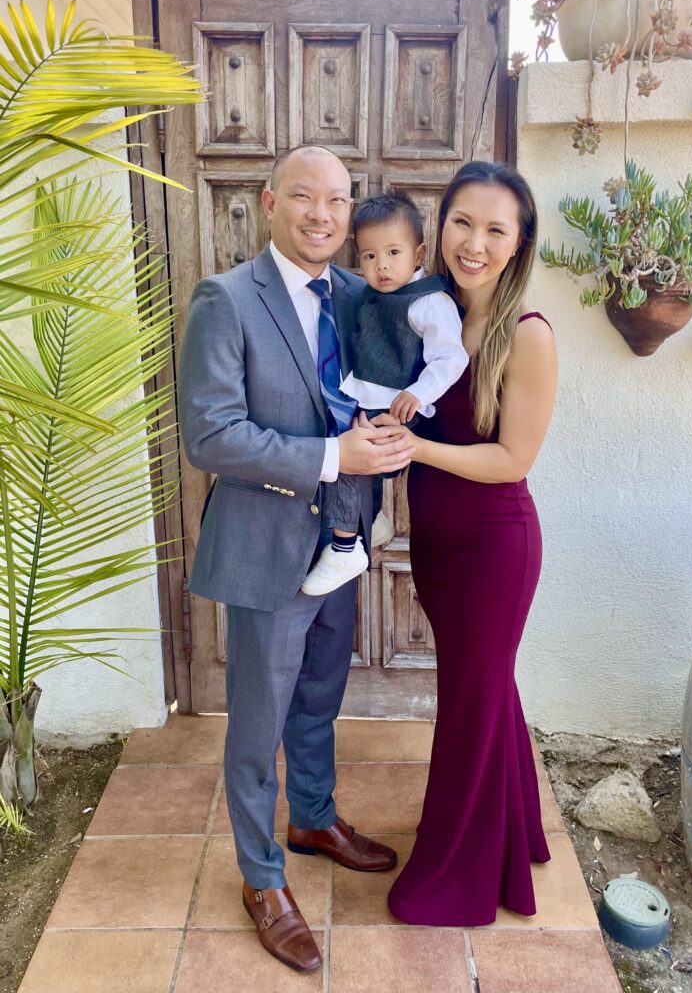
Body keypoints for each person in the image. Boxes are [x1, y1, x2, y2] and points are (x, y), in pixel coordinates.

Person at [178, 145, 415, 973]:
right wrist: (331, 458)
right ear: (270, 201)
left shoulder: (361, 294)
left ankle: (313, 818)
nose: (323, 214)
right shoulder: (226, 300)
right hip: (267, 551)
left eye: (339, 201)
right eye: (306, 197)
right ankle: (262, 877)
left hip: (342, 545)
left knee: (319, 697)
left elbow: (388, 383)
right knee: (258, 721)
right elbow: (210, 434)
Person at [382, 161, 558, 926]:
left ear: (519, 245)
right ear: (440, 226)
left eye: (496, 229)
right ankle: (515, 833)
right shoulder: (434, 315)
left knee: (467, 704)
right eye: (462, 222)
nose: (474, 243)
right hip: (440, 550)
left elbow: (512, 461)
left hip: (493, 552)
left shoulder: (527, 335)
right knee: (487, 694)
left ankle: (456, 875)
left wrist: (413, 449)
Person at [301, 190, 469, 597]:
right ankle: (370, 517)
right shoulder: (372, 293)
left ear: (419, 253)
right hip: (366, 393)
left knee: (343, 457)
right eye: (369, 256)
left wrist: (419, 392)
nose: (381, 266)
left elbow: (452, 357)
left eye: (393, 252)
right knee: (336, 442)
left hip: (396, 404)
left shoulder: (429, 302)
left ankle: (345, 545)